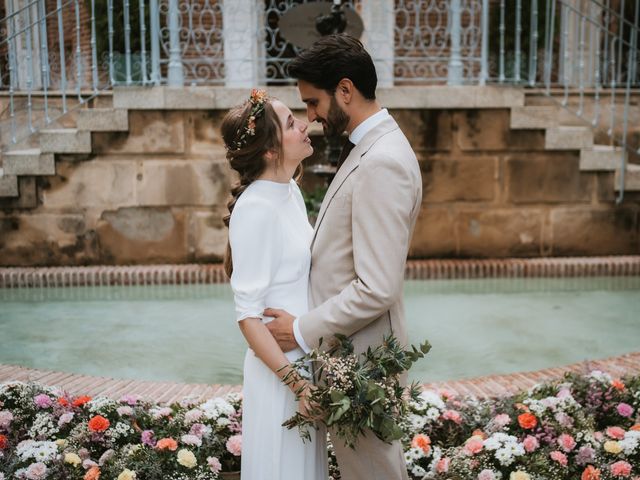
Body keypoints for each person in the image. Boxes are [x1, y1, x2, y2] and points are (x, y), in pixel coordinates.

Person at [264, 34, 423, 480]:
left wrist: (298, 330)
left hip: (364, 360)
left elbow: (377, 286)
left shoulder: (382, 162)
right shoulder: (371, 149)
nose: (310, 117)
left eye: (313, 103)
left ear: (346, 90)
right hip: (351, 354)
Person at [221, 89, 328, 480]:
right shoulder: (255, 209)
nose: (304, 124)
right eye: (290, 123)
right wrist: (298, 386)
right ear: (269, 150)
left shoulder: (290, 192)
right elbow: (248, 318)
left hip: (303, 359)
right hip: (281, 375)